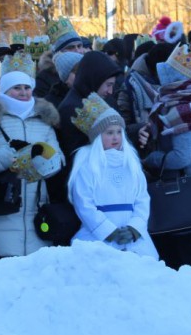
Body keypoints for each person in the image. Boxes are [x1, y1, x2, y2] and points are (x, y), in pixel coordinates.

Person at [0, 52, 65, 259]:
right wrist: (13, 154)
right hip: (1, 209)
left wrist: (46, 161)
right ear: (5, 89)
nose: (23, 92)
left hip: (35, 207)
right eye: (17, 87)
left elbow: (58, 159)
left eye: (27, 87)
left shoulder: (43, 120)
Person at [141, 44, 191, 273]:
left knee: (190, 257)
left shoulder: (183, 109)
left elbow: (181, 158)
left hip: (190, 194)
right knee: (190, 253)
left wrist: (152, 159)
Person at [67, 93, 158, 259]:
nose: (115, 137)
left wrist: (134, 228)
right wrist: (107, 230)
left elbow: (142, 200)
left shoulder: (131, 165)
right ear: (97, 137)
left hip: (132, 237)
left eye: (118, 132)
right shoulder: (88, 166)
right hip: (98, 236)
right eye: (109, 133)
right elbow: (84, 203)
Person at [56, 51, 122, 202]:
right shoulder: (72, 108)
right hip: (88, 189)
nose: (110, 91)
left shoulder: (101, 100)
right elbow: (79, 152)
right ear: (94, 79)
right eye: (108, 85)